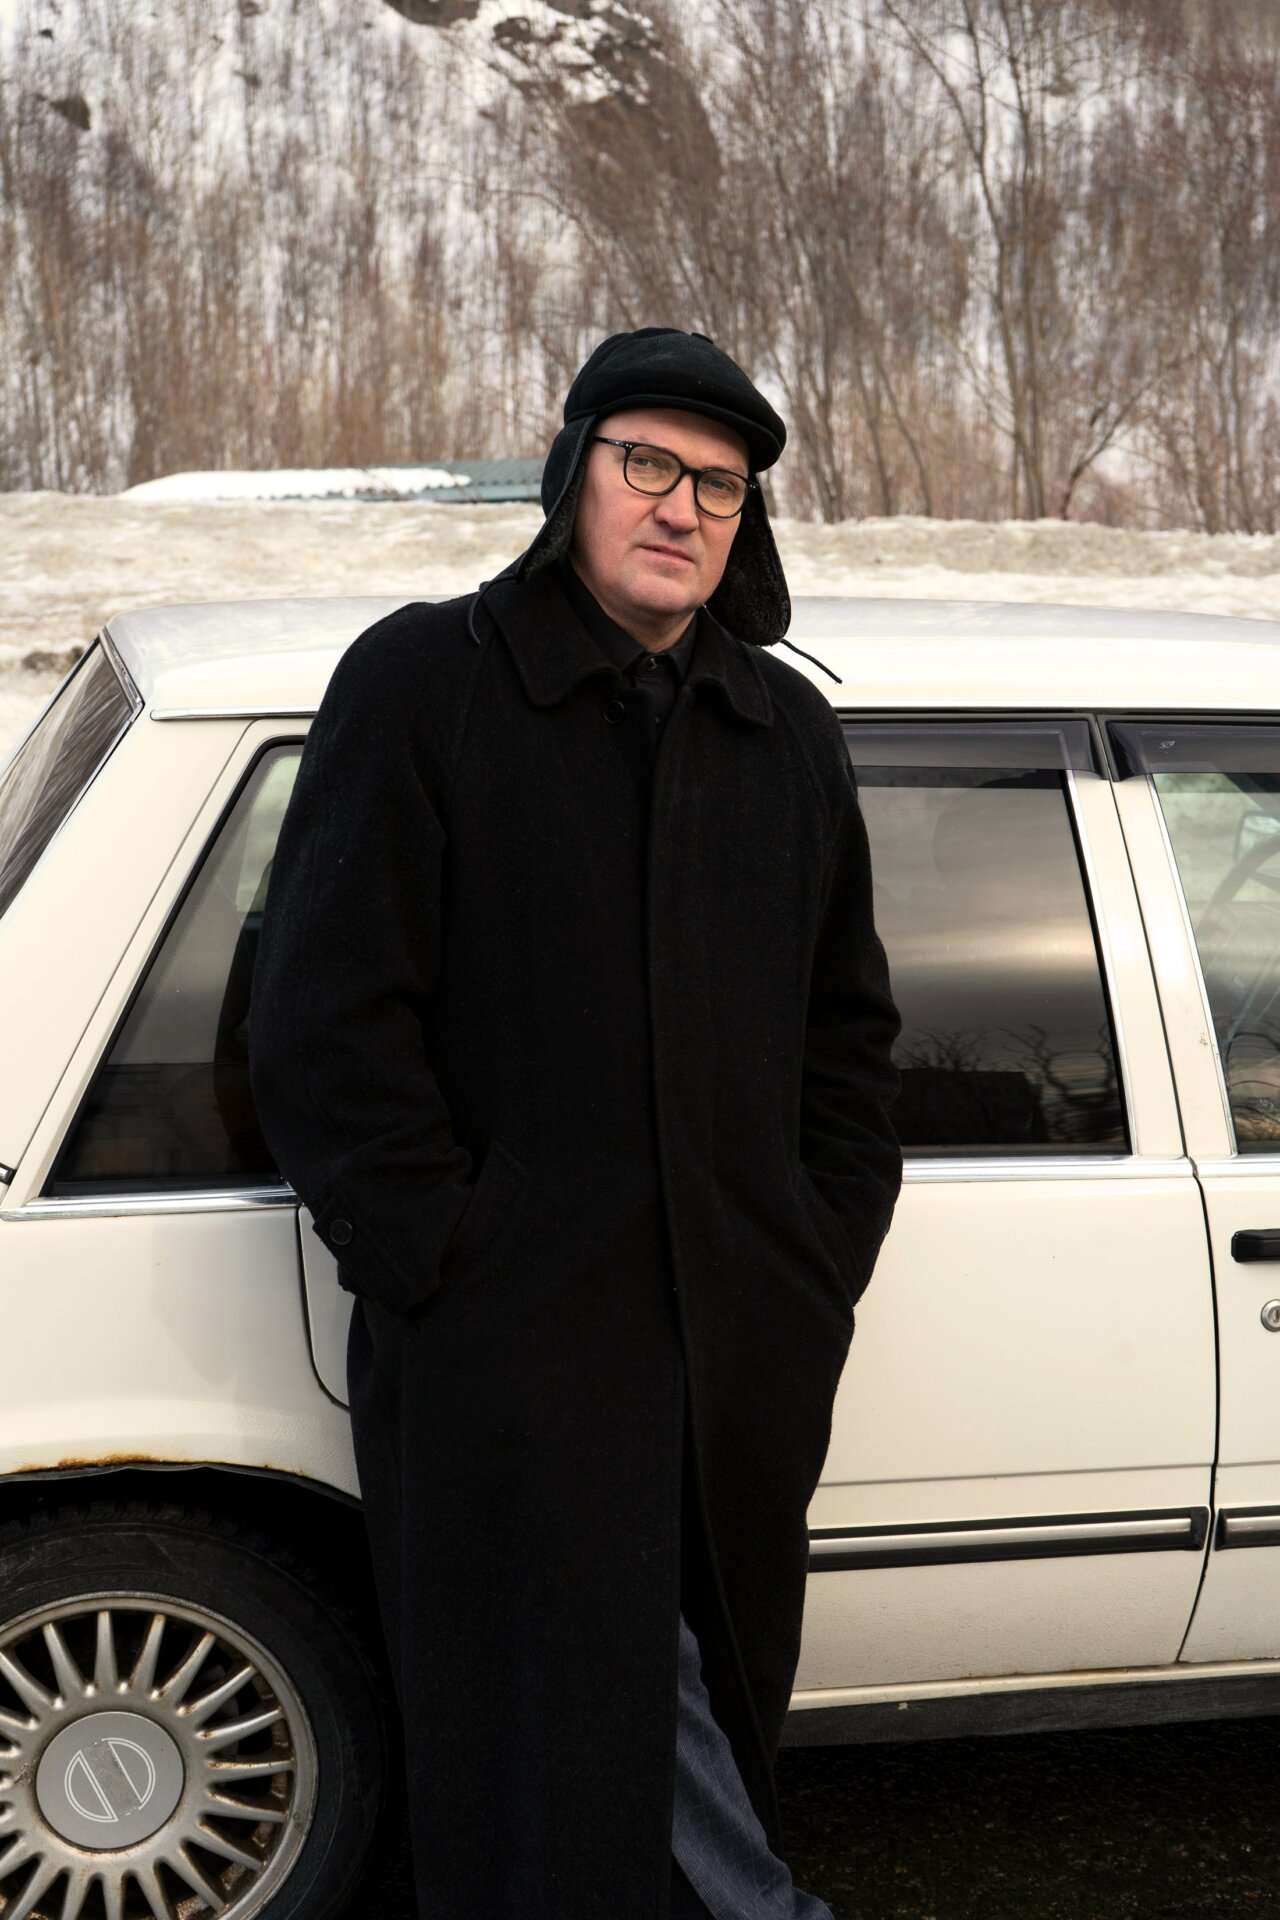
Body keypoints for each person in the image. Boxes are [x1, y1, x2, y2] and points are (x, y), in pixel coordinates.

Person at [248, 326, 903, 1920]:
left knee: (699, 1715)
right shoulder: (427, 685)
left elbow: (850, 1042)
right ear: (573, 476)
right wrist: (447, 1263)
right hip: (508, 1355)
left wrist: (811, 1266)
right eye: (649, 464)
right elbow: (323, 1021)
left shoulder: (783, 733)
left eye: (721, 488)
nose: (683, 508)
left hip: (738, 1358)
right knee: (559, 1762)